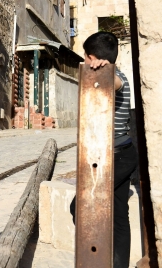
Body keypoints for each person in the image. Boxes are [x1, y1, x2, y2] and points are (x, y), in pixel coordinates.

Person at [70, 31, 137, 268]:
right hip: (118, 155)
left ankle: (99, 257)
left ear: (91, 56)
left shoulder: (116, 77)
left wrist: (105, 71)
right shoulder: (115, 74)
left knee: (79, 206)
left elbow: (115, 84)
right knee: (119, 215)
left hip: (117, 157)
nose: (86, 64)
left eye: (86, 58)